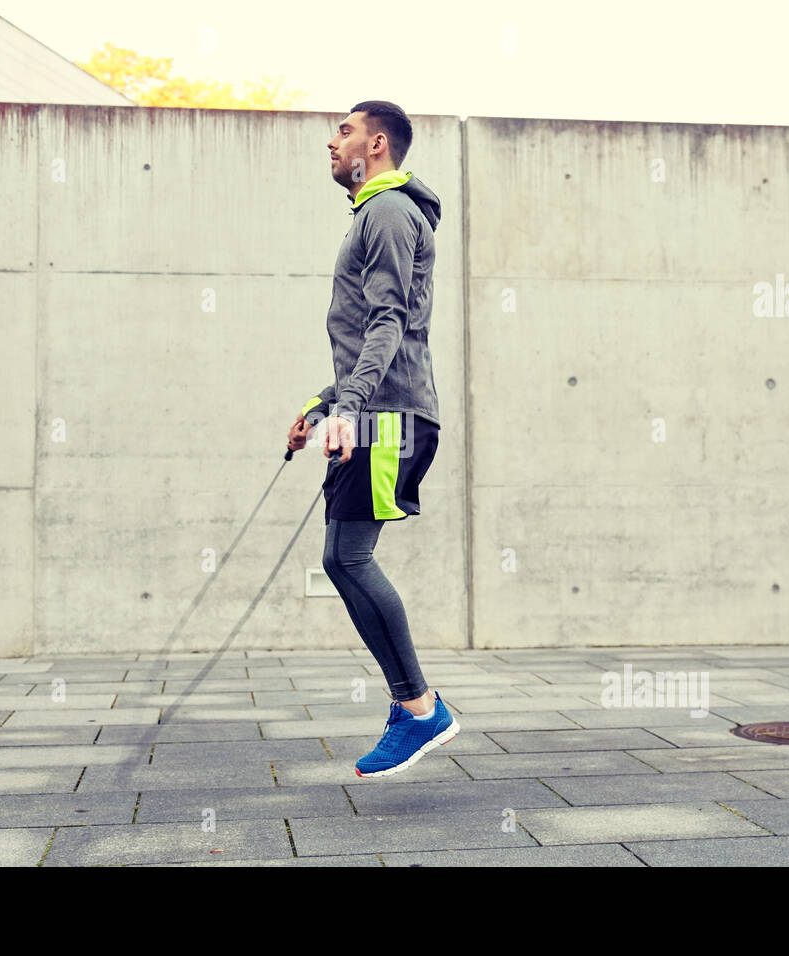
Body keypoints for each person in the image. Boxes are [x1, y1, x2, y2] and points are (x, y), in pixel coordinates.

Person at [286, 100, 459, 778]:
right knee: (340, 557)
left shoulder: (387, 211)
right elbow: (376, 334)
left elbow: (390, 321)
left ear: (377, 144)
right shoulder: (378, 212)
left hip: (389, 418)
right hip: (374, 412)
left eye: (345, 131)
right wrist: (322, 403)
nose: (332, 142)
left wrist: (349, 406)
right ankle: (412, 706)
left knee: (349, 558)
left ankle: (420, 709)